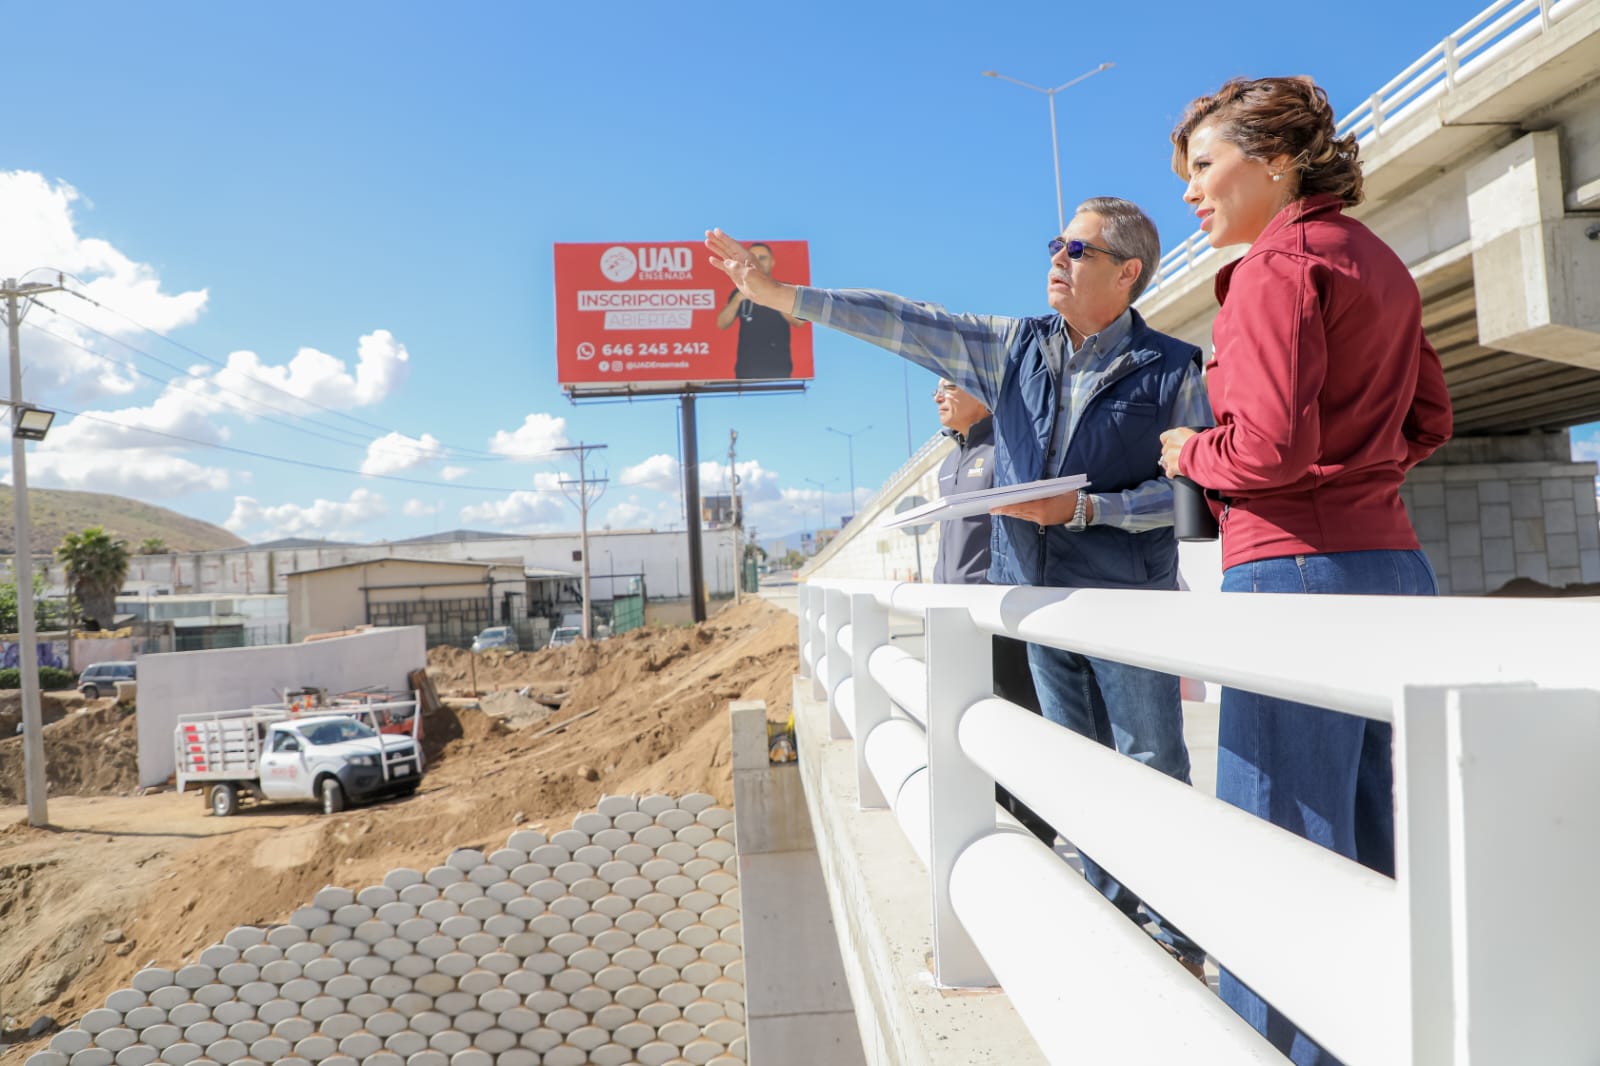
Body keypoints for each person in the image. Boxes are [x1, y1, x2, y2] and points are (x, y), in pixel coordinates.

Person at [707, 196, 1213, 978]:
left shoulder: (1177, 369)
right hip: (1037, 604)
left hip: (1128, 607)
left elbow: (1192, 499)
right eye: (1056, 244)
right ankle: (1110, 918)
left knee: (1149, 761)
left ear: (1127, 272)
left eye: (1075, 250)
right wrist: (786, 300)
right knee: (1071, 767)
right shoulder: (1013, 347)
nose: (1055, 258)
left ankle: (1173, 934)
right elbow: (903, 321)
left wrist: (1087, 508)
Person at [1160, 76, 1452, 1063]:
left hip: (1292, 575)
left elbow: (1268, 451)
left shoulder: (1274, 266)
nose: (1191, 192)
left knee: (1274, 846)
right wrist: (1362, 484)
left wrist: (1189, 453)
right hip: (1393, 568)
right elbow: (1430, 420)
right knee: (1365, 839)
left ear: (1273, 161)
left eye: (1204, 166)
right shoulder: (1376, 261)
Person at [931, 378, 1052, 846]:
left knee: (1018, 722)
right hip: (955, 624)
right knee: (973, 727)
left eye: (948, 385)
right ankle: (998, 827)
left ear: (982, 392)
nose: (937, 396)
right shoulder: (948, 463)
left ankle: (1036, 835)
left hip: (999, 618)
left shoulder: (1005, 449)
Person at [715, 241, 804, 379]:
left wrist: (772, 296)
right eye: (753, 258)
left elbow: (799, 322)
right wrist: (737, 299)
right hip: (746, 369)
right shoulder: (740, 291)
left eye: (762, 258)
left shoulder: (786, 289)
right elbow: (722, 324)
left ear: (772, 262)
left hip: (779, 370)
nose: (758, 262)